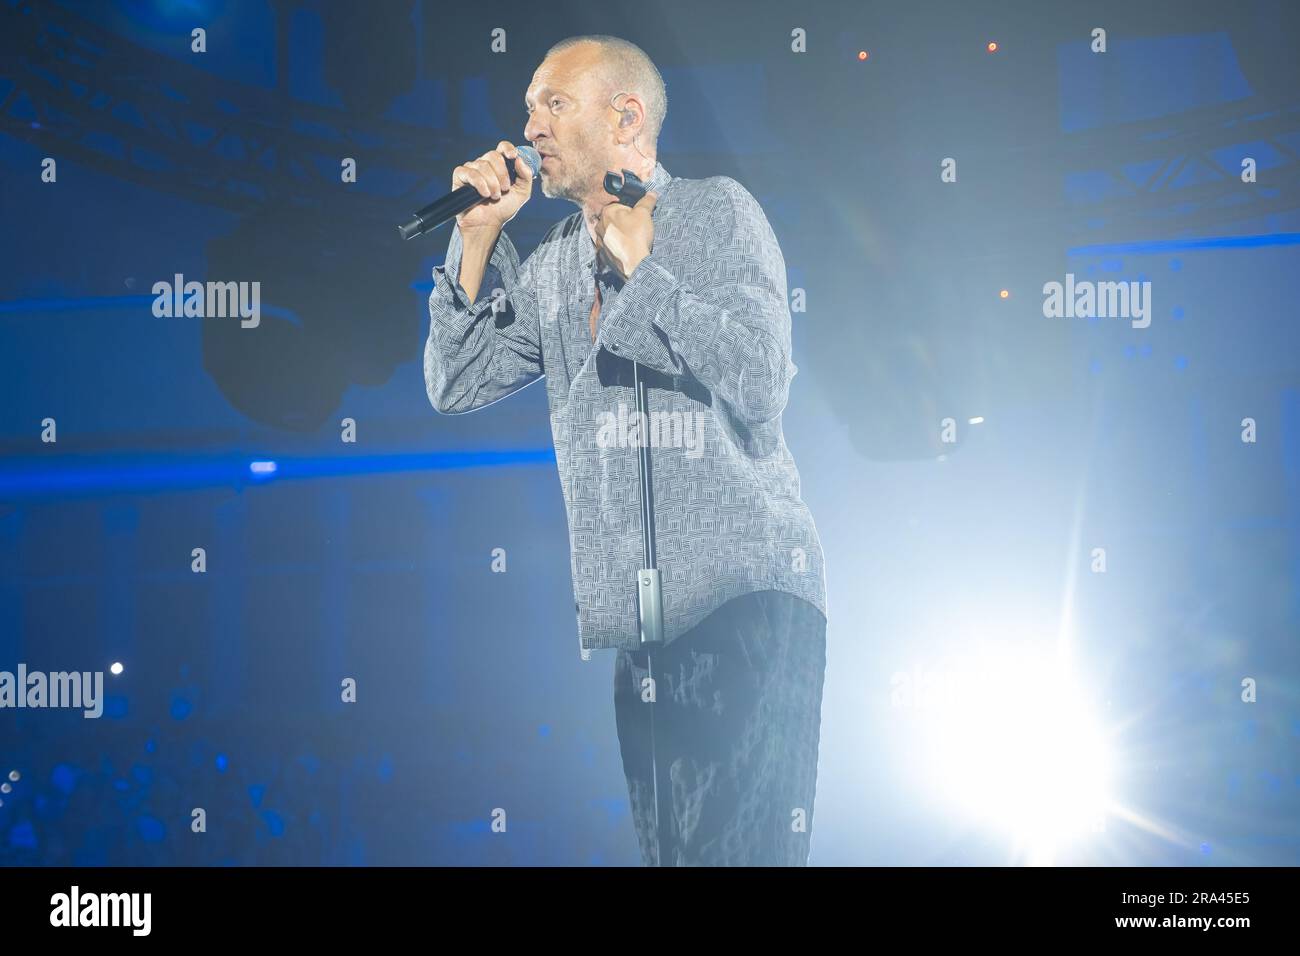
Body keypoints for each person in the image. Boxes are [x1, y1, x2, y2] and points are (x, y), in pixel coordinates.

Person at [424, 35, 828, 866]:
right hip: (638, 628)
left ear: (626, 116)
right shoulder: (550, 268)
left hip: (743, 597)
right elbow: (454, 382)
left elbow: (760, 379)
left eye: (552, 103)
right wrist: (475, 237)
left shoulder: (714, 211)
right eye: (530, 105)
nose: (528, 123)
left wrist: (645, 280)